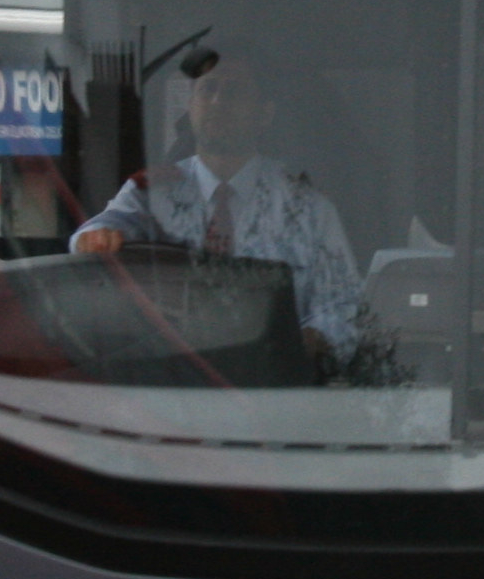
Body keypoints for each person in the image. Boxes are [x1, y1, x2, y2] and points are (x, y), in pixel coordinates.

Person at [73, 52, 363, 366]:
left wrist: (304, 343)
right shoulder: (155, 192)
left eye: (234, 91)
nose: (216, 102)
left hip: (273, 387)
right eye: (207, 89)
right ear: (191, 105)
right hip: (173, 382)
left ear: (264, 114)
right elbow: (101, 230)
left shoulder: (306, 207)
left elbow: (346, 310)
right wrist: (96, 238)